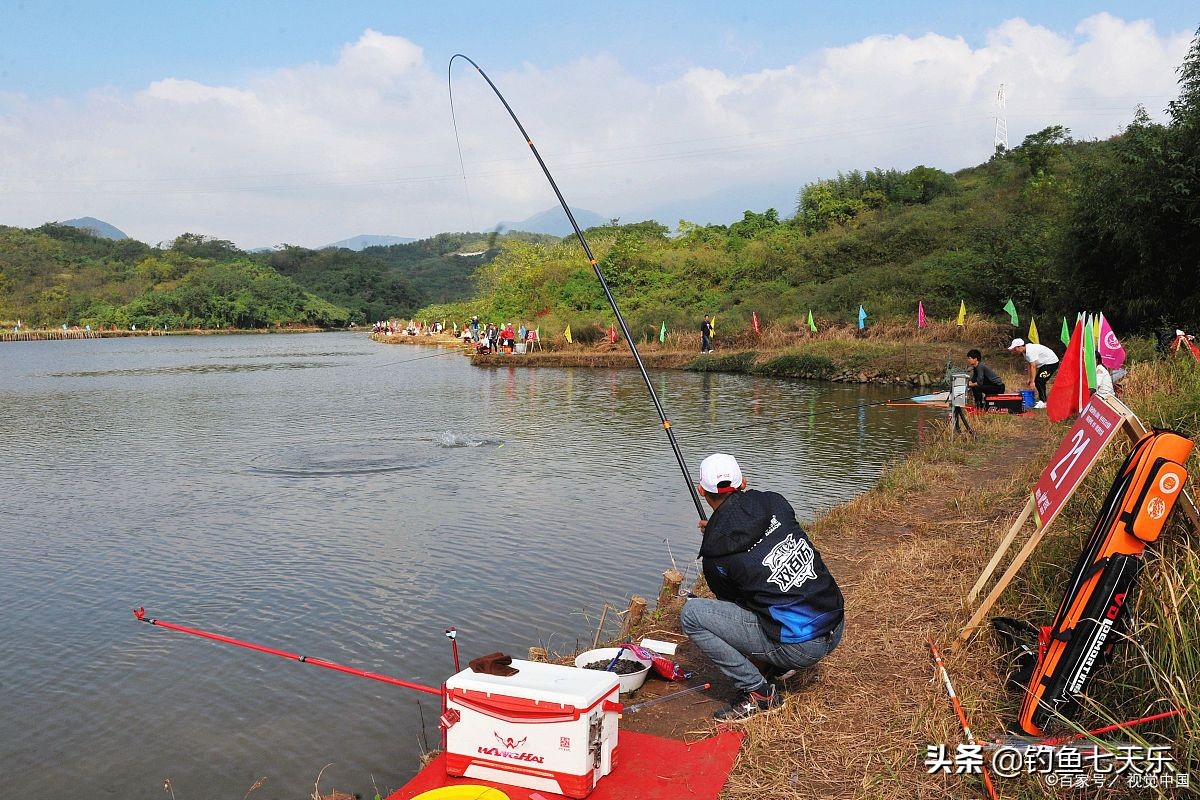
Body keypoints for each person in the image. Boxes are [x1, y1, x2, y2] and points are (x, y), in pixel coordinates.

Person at [680, 453, 845, 721]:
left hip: (803, 647)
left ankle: (759, 693)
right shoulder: (774, 502)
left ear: (701, 490)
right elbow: (761, 535)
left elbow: (734, 604)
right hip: (836, 623)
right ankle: (775, 665)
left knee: (692, 615)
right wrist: (721, 531)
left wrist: (718, 539)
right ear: (743, 482)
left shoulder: (716, 557)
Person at [1007, 338, 1059, 408]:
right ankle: (1042, 400)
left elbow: (1033, 366)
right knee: (1039, 381)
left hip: (1052, 363)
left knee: (1039, 381)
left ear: (1020, 346)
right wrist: (1029, 378)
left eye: (1015, 349)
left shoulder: (1030, 351)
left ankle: (1043, 402)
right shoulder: (1025, 352)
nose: (1014, 351)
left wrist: (1033, 382)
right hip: (1044, 364)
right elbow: (1029, 364)